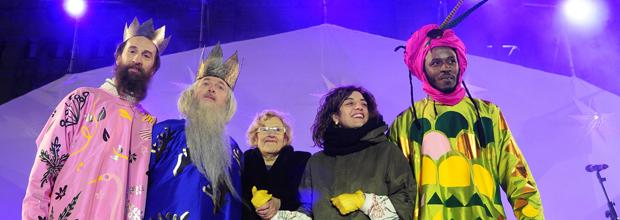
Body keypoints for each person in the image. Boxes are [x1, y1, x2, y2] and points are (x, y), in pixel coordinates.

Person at [388, 22, 544, 219]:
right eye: (436, 63)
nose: (446, 67)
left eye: (451, 61)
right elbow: (393, 189)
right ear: (422, 69)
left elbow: (518, 178)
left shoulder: (488, 114)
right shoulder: (405, 123)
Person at [22, 17, 169, 220]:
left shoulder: (148, 125)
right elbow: (46, 166)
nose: (137, 59)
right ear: (118, 57)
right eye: (132, 51)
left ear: (152, 69)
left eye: (146, 55)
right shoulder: (82, 99)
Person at [272, 86, 416, 220]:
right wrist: (274, 215)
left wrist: (364, 202)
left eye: (363, 104)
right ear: (335, 117)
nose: (359, 107)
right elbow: (307, 208)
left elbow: (407, 199)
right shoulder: (316, 162)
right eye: (349, 103)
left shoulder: (386, 151)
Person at [144, 43, 243, 220]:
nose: (211, 88)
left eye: (220, 87)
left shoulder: (234, 151)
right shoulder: (166, 131)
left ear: (227, 103)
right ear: (192, 94)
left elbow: (233, 206)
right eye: (205, 83)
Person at [242, 110, 311, 220]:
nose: (271, 134)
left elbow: (309, 201)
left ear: (285, 137)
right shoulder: (242, 163)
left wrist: (279, 203)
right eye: (264, 129)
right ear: (255, 136)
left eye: (277, 130)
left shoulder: (303, 161)